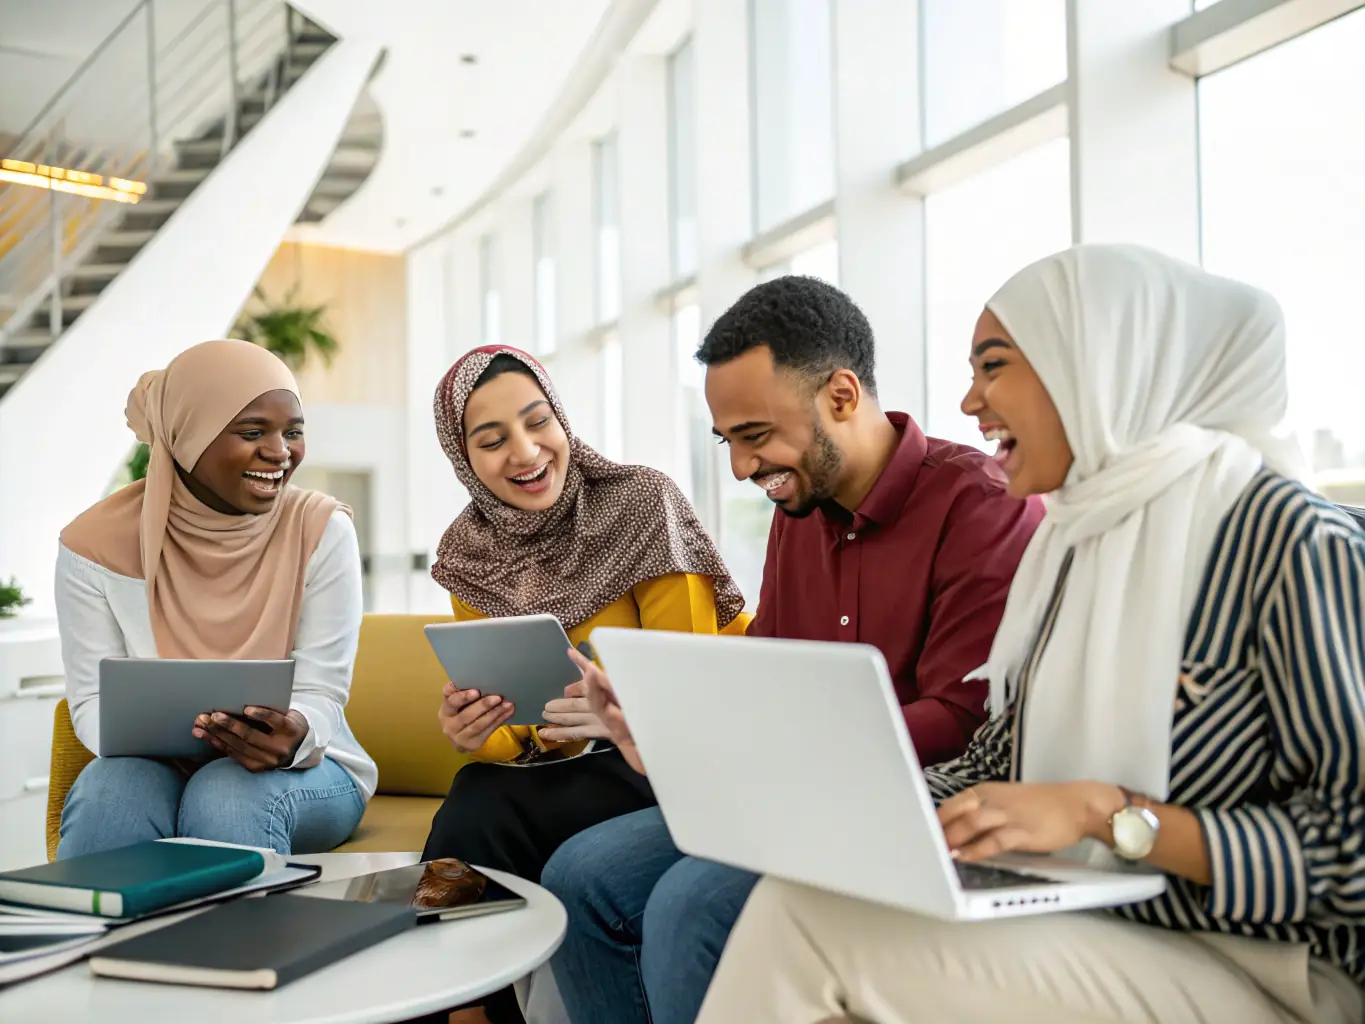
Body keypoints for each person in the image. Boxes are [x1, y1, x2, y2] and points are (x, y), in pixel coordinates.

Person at [696, 245, 1365, 1024]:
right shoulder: (1075, 547)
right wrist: (776, 784)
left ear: (1097, 365)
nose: (970, 401)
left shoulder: (1292, 543)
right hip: (1099, 919)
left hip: (1270, 966)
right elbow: (993, 764)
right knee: (811, 900)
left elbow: (1351, 852)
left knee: (806, 926)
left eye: (994, 366)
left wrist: (1108, 818)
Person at [542, 276, 1045, 1024]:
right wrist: (667, 727)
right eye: (729, 442)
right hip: (788, 798)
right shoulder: (799, 507)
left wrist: (785, 748)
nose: (742, 469)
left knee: (690, 905)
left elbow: (965, 721)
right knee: (578, 876)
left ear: (841, 396)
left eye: (755, 436)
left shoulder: (980, 503)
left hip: (914, 809)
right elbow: (768, 678)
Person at [421, 346, 745, 1024]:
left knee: (478, 809)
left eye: (538, 421)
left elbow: (682, 682)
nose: (526, 451)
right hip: (573, 769)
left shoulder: (639, 503)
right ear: (463, 459)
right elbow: (523, 733)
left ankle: (464, 1011)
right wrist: (479, 730)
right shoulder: (470, 555)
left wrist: (616, 716)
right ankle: (464, 1005)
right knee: (479, 790)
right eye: (491, 440)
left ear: (562, 418)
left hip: (665, 758)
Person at [56, 339, 374, 859]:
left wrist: (296, 732)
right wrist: (155, 746)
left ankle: (240, 944)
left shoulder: (321, 529)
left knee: (225, 793)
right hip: (151, 763)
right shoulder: (93, 545)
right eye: (253, 432)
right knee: (108, 795)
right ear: (188, 437)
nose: (279, 452)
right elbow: (92, 699)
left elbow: (322, 691)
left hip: (309, 766)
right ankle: (92, 943)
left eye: (292, 432)